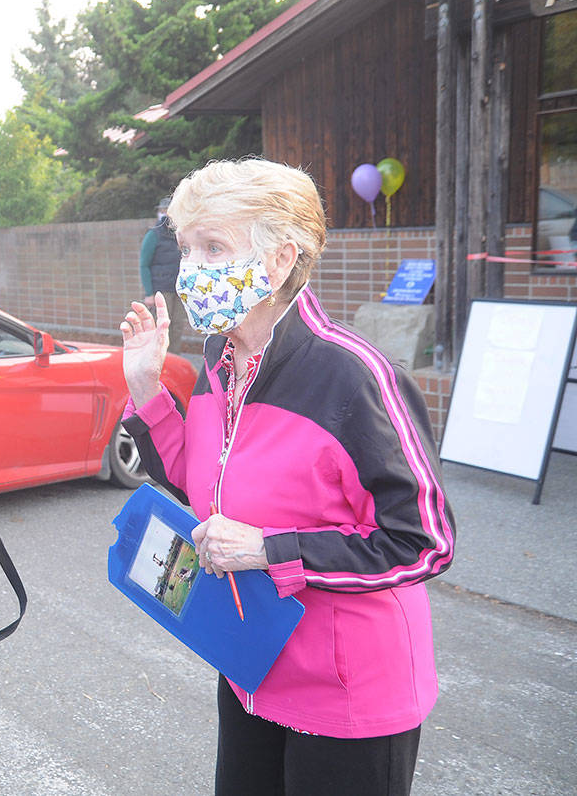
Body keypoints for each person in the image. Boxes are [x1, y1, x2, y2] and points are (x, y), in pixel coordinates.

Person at [118, 158, 455, 796]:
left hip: (348, 696)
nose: (191, 268)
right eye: (187, 248)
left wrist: (269, 550)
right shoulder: (219, 364)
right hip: (251, 667)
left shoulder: (353, 376)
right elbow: (204, 491)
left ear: (278, 261)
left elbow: (423, 540)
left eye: (213, 247)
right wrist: (147, 391)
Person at [139, 195, 184, 350]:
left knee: (178, 325)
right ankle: (161, 359)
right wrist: (149, 293)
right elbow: (144, 264)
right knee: (163, 326)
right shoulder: (154, 234)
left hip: (178, 288)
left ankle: (175, 358)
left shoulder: (181, 233)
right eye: (163, 210)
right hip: (161, 289)